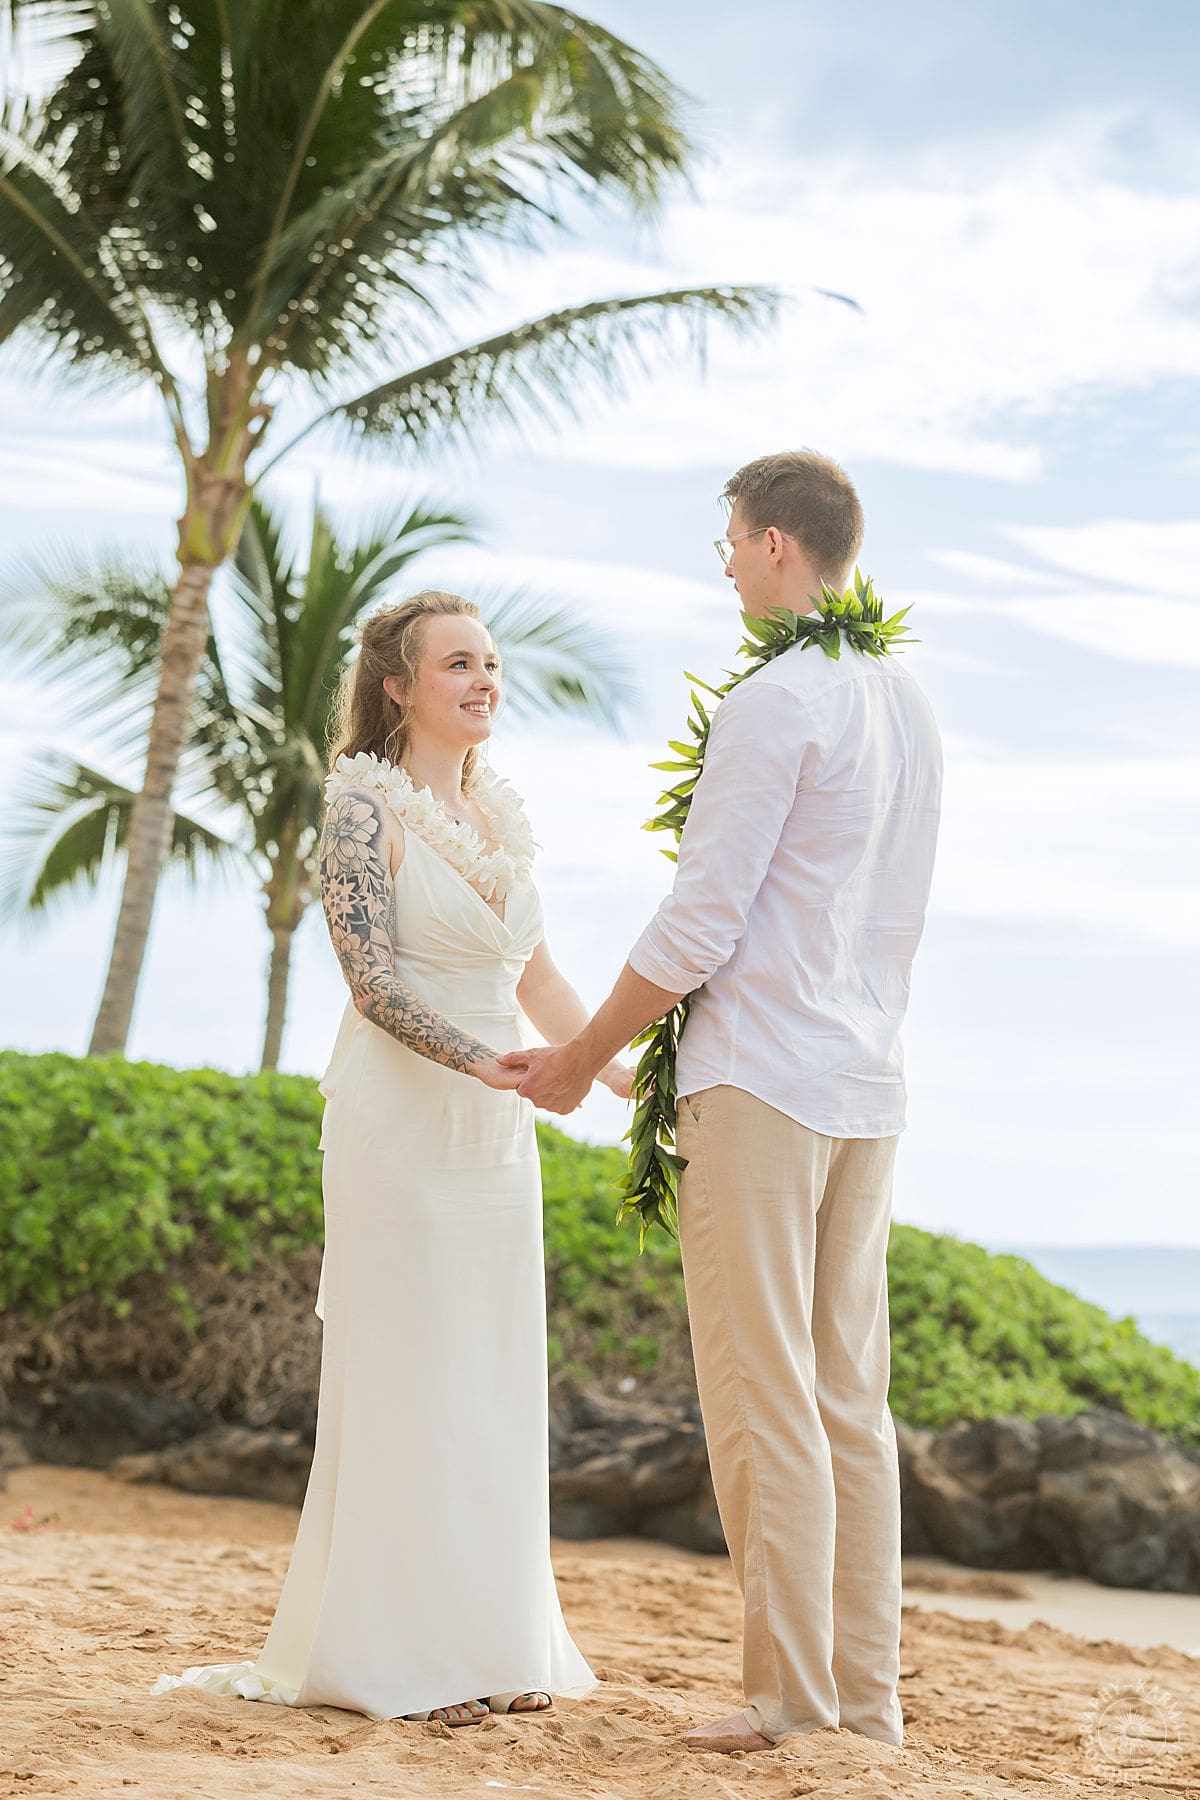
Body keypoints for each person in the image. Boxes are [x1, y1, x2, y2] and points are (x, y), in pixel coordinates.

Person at [505, 451, 943, 1754]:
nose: (727, 570)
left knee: (766, 1394)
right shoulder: (907, 699)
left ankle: (792, 1700)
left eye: (727, 546)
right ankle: (864, 1705)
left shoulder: (776, 699)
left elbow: (702, 918)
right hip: (868, 1082)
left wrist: (583, 1055)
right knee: (847, 1398)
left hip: (760, 1078)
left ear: (768, 547)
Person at [153, 590, 630, 1725]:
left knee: (489, 1373)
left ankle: (490, 1647)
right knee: (410, 1368)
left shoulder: (502, 822)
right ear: (398, 686)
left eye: (492, 663)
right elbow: (371, 984)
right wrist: (488, 1064)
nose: (483, 680)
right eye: (457, 663)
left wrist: (610, 1064)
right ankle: (400, 1660)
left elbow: (541, 980)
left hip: (494, 1133)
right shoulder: (361, 812)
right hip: (404, 1121)